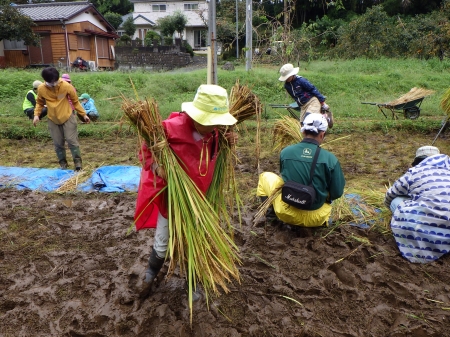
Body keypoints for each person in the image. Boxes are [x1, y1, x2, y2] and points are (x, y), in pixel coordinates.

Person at [135, 84, 238, 298]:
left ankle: (193, 285)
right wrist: (157, 167)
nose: (213, 127)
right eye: (209, 122)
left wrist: (228, 144)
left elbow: (213, 155)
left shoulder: (217, 131)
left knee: (197, 242)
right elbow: (146, 151)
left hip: (203, 197)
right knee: (162, 245)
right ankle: (148, 278)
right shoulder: (169, 128)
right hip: (175, 198)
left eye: (216, 122)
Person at [256, 113, 345, 227]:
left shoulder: (286, 152)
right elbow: (337, 193)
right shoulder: (330, 159)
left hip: (286, 214)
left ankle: (271, 219)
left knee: (265, 176)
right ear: (322, 135)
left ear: (303, 131)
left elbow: (284, 177)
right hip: (316, 219)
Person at [384, 146, 450, 263]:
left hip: (426, 223)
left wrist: (391, 210)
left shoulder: (414, 172)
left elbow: (390, 195)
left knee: (396, 201)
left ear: (418, 161)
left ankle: (417, 237)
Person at [33, 67, 90, 170]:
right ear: (45, 80)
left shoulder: (66, 86)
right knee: (58, 143)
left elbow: (75, 102)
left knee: (71, 140)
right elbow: (39, 103)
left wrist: (84, 114)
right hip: (53, 119)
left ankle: (78, 164)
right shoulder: (41, 88)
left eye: (55, 81)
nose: (54, 84)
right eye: (51, 82)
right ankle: (63, 164)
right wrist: (36, 115)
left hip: (68, 116)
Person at [279, 63, 333, 128]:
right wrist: (298, 104)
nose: (286, 79)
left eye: (288, 77)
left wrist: (322, 103)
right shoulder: (287, 86)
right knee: (303, 126)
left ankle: (326, 118)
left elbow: (313, 89)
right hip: (303, 106)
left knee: (309, 120)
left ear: (292, 74)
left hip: (312, 102)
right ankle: (321, 118)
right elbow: (295, 97)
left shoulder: (301, 80)